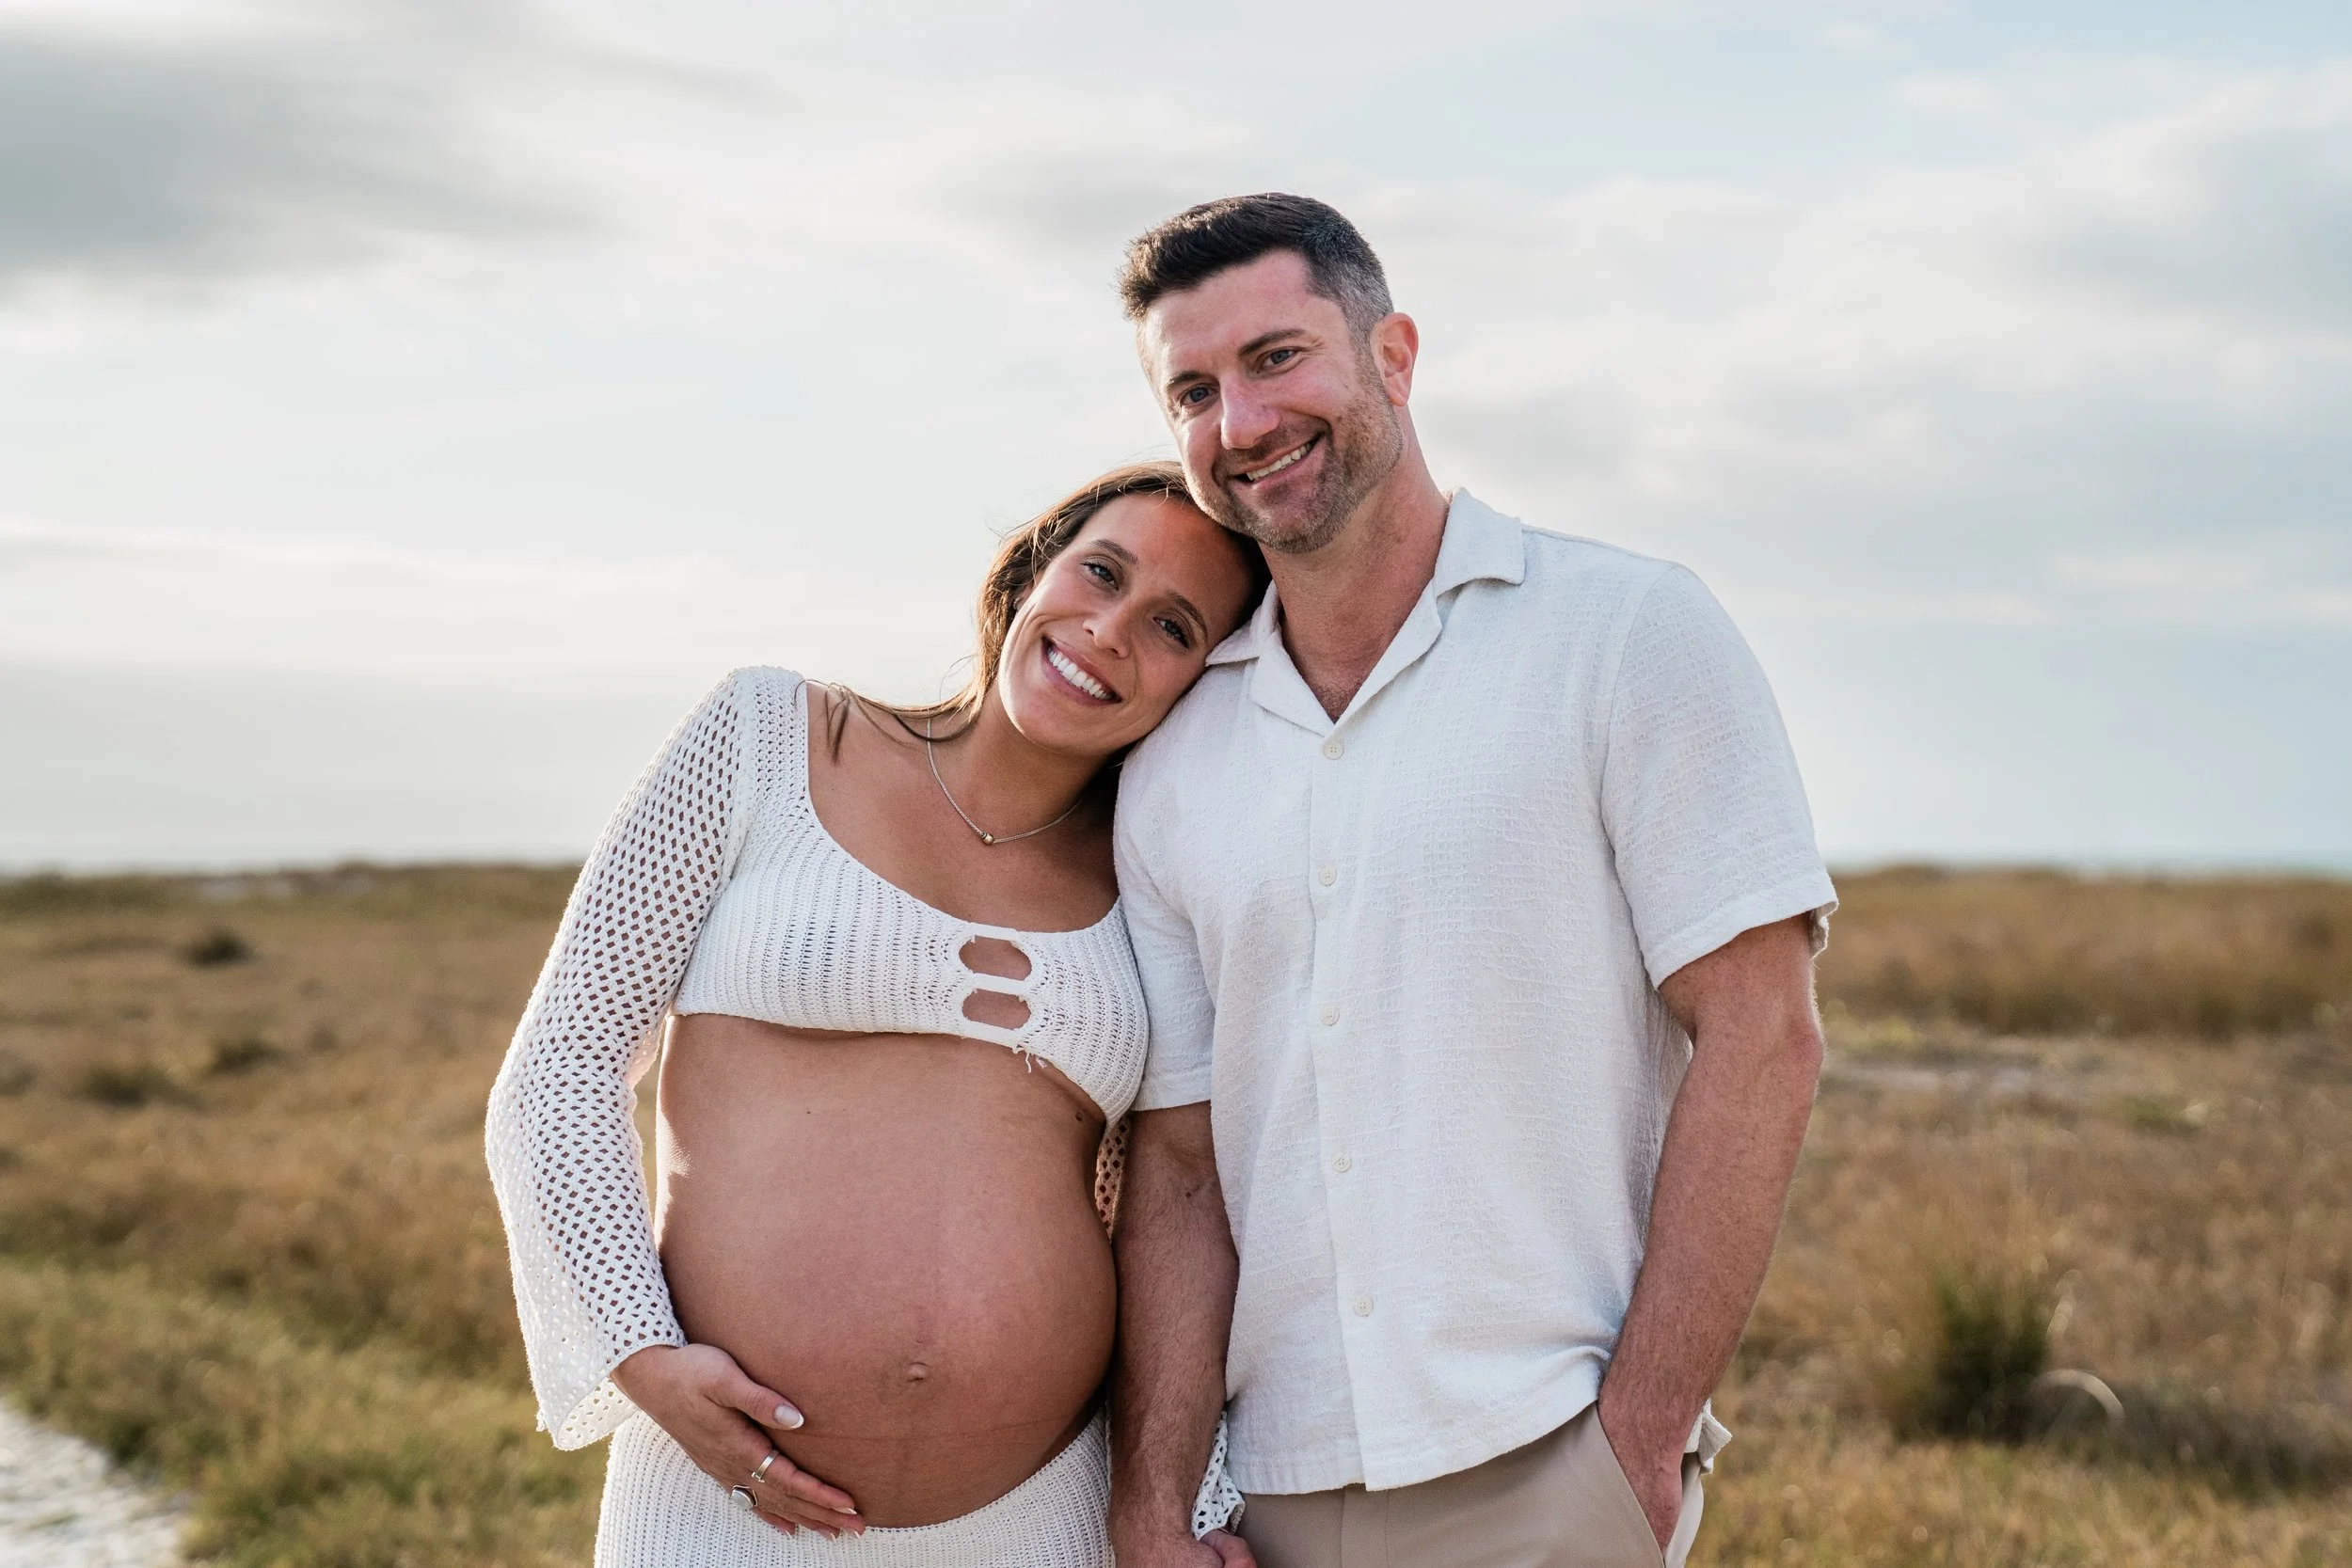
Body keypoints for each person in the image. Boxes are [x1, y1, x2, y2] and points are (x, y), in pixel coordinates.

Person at [1106, 195, 1838, 1568]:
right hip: (1273, 1487)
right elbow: (1184, 1165)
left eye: (1279, 357)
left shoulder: (1624, 632)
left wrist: (1639, 1439)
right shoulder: (1174, 751)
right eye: (1193, 390)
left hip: (1551, 1464)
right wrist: (1153, 1505)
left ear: (1394, 354)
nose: (1244, 422)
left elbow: (1765, 1031)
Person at [485, 462, 1267, 1567]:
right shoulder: (770, 737)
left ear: (1207, 678)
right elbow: (563, 1060)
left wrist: (1184, 1498)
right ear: (1035, 566)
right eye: (1100, 571)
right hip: (724, 1502)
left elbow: (1177, 1196)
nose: (1106, 629)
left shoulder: (1156, 872)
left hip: (1046, 1517)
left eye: (1173, 625)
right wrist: (639, 1351)